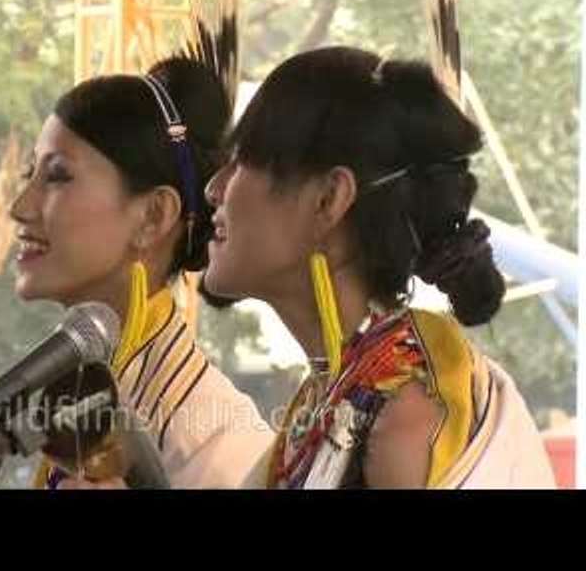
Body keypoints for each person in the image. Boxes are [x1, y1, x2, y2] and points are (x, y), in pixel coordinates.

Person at [203, 45, 556, 488]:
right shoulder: (338, 388)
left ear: (328, 200)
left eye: (243, 162)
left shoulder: (405, 412)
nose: (214, 190)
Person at [9, 0, 274, 488]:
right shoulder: (85, 397)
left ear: (153, 216)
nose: (19, 207)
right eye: (30, 174)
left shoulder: (217, 447)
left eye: (58, 175)